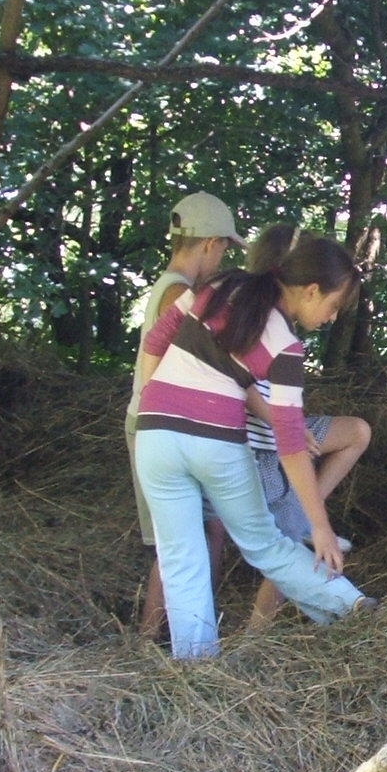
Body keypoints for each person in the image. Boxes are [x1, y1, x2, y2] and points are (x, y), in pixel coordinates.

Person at [133, 232, 369, 659]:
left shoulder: (221, 286)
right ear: (312, 290)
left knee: (181, 557)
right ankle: (353, 606)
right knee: (265, 544)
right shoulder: (286, 346)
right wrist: (319, 526)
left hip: (155, 436)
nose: (332, 317)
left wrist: (155, 401)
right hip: (216, 443)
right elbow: (291, 443)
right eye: (334, 305)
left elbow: (155, 341)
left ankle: (195, 665)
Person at [237, 225, 373, 627]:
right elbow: (240, 383)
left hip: (280, 431)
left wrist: (293, 425)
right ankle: (256, 632)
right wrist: (286, 426)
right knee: (284, 543)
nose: (332, 316)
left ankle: (305, 506)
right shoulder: (256, 319)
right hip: (259, 444)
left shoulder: (284, 323)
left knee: (357, 431)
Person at [127, 193, 245, 637]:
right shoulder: (180, 293)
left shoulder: (169, 285)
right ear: (210, 243)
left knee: (205, 530)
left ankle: (189, 628)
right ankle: (154, 635)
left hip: (170, 425)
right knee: (181, 539)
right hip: (164, 425)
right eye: (225, 249)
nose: (223, 258)